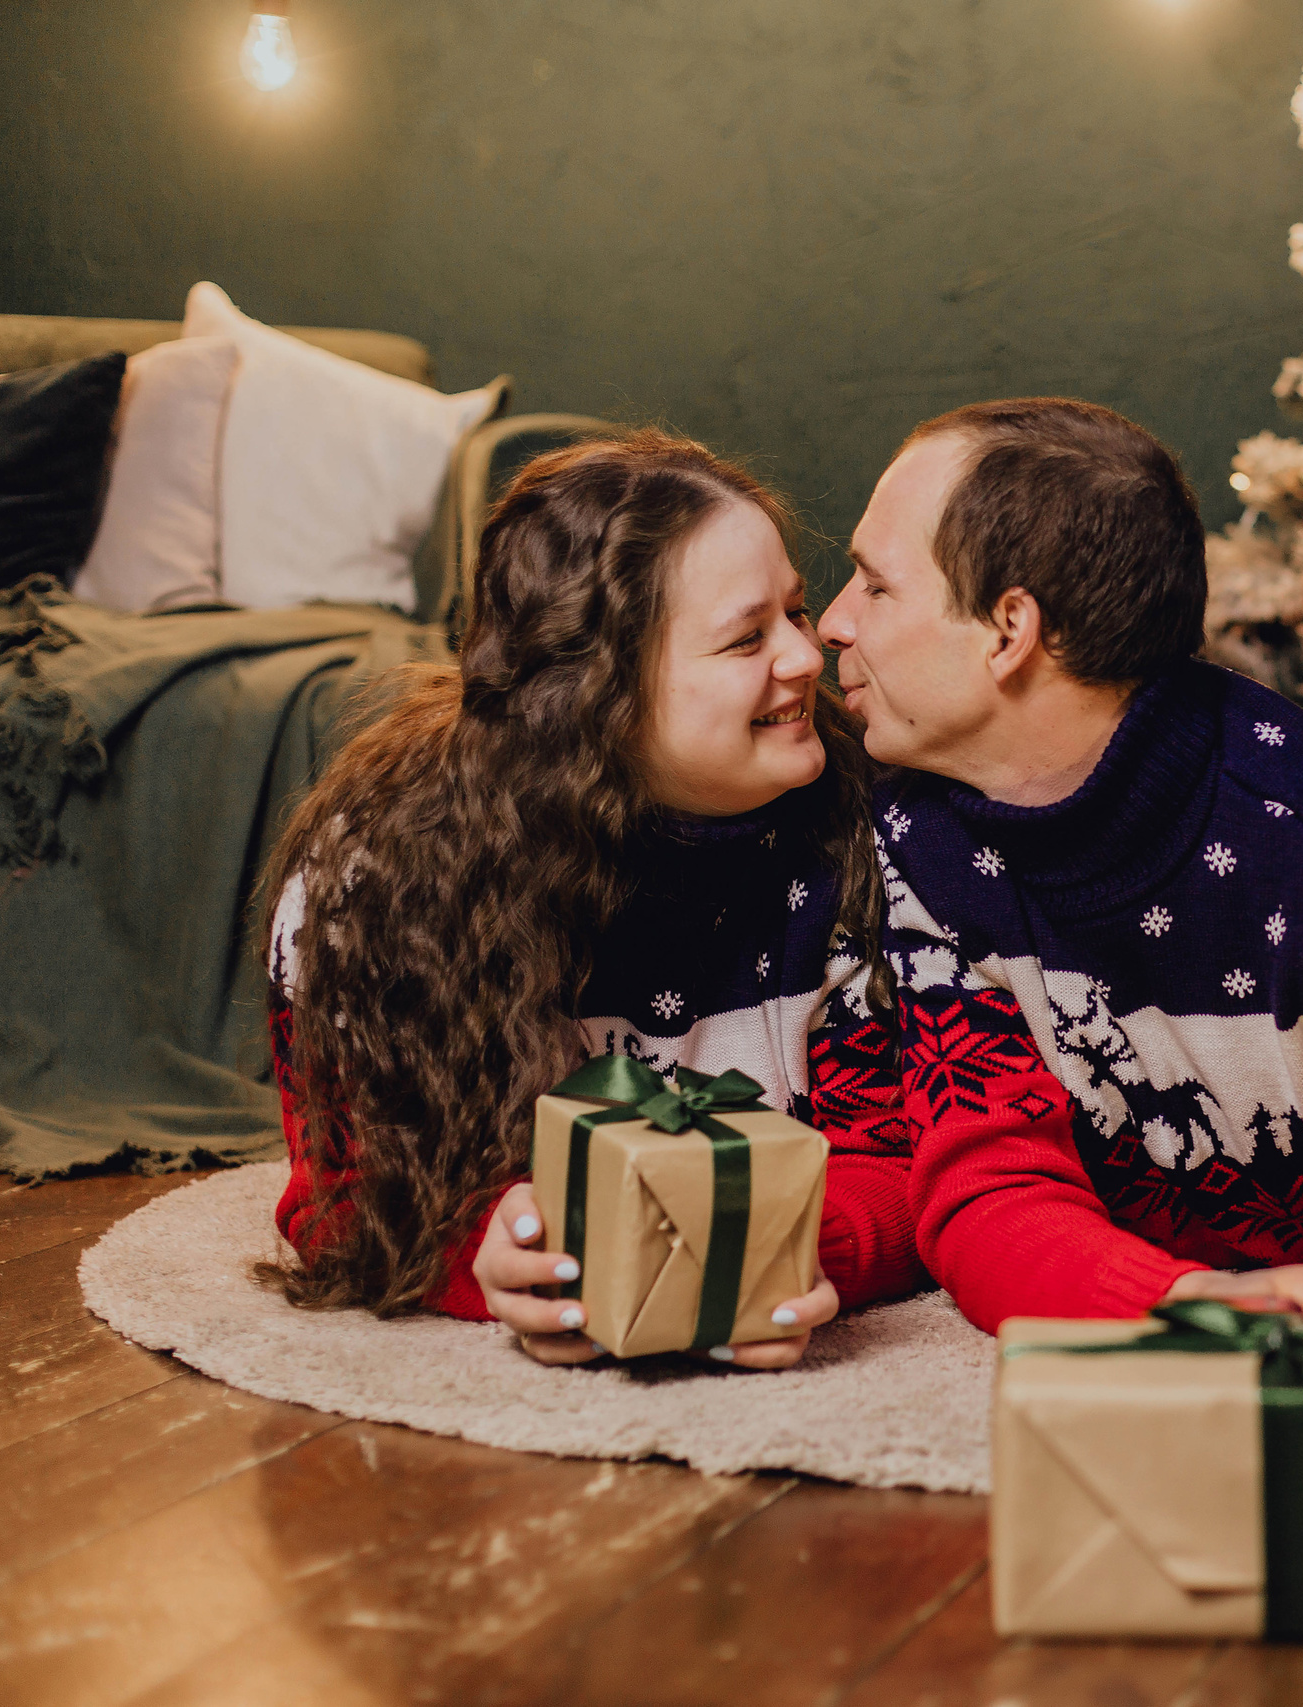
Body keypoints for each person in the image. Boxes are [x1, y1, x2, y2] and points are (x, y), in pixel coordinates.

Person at [819, 398, 1303, 1357]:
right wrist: (1178, 1306)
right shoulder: (920, 838)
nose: (830, 623)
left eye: (873, 585)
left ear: (1007, 629)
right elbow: (989, 1189)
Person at [261, 431, 922, 1367]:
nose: (808, 656)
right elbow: (339, 1189)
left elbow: (908, 1153)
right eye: (747, 637)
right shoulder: (370, 878)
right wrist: (487, 1251)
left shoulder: (873, 830)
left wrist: (793, 1252)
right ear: (597, 693)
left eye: (797, 611)